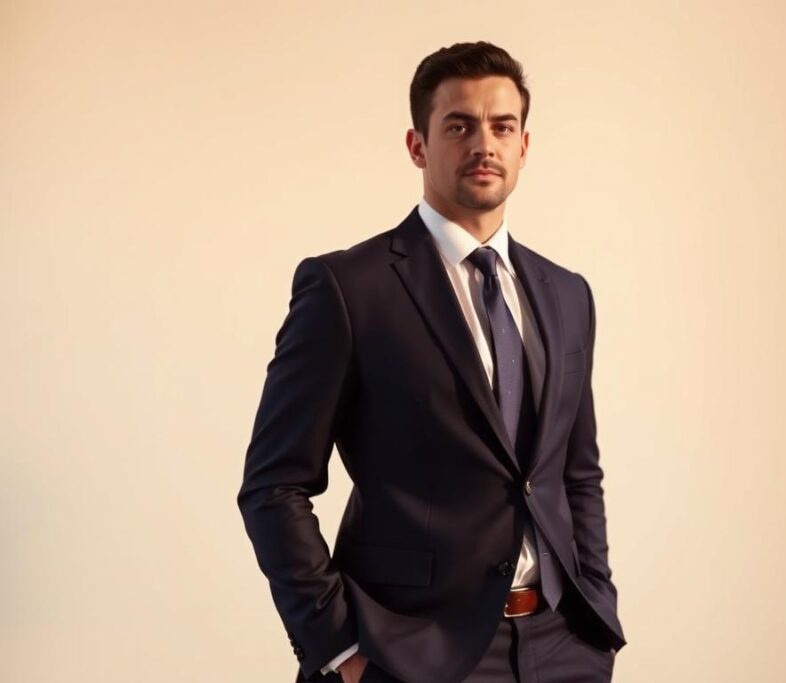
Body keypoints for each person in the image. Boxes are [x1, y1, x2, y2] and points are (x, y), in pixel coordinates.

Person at [237, 41, 625, 683]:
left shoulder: (567, 294)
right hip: (411, 652)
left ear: (524, 146)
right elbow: (272, 485)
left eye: (502, 126)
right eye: (459, 125)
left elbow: (575, 473)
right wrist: (339, 648)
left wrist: (597, 616)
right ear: (418, 146)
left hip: (562, 647)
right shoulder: (348, 288)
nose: (484, 143)